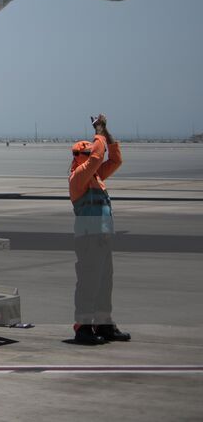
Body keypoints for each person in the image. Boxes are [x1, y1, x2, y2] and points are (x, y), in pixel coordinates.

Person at [69, 114, 129, 345]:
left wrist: (107, 133)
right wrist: (100, 130)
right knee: (89, 282)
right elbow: (97, 156)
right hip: (88, 239)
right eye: (84, 155)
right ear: (77, 157)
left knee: (105, 282)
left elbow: (115, 160)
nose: (89, 158)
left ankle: (103, 323)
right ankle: (83, 327)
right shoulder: (78, 177)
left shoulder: (94, 176)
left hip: (102, 238)